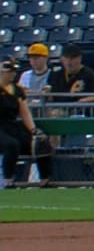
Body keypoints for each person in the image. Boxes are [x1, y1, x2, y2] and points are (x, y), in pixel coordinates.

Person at [0, 58, 52, 187]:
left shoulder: (17, 90)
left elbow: (24, 112)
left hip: (12, 125)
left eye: (13, 71)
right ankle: (8, 180)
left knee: (42, 142)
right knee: (12, 145)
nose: (11, 74)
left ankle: (45, 180)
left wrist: (33, 130)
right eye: (8, 71)